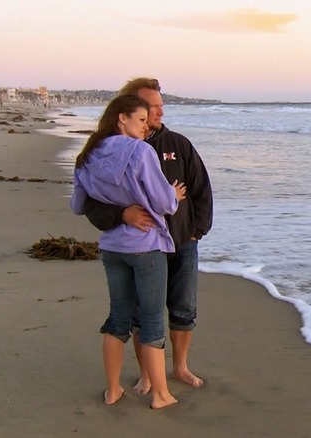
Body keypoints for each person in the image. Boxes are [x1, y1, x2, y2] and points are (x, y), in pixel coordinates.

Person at [83, 78, 213, 390]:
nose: (158, 113)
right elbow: (91, 202)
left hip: (181, 242)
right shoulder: (114, 151)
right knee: (143, 315)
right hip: (141, 247)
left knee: (183, 310)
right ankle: (147, 375)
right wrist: (122, 214)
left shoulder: (178, 145)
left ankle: (179, 367)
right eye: (151, 107)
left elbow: (201, 190)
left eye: (160, 107)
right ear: (128, 110)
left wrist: (197, 232)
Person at [70, 94, 187, 409]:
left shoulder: (87, 156)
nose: (145, 127)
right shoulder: (140, 151)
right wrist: (173, 195)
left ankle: (113, 390)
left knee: (118, 317)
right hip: (145, 245)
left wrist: (117, 206)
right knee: (150, 320)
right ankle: (161, 395)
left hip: (112, 247)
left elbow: (77, 206)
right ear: (121, 118)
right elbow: (163, 203)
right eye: (140, 120)